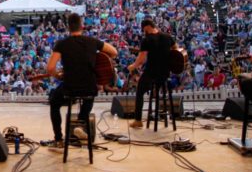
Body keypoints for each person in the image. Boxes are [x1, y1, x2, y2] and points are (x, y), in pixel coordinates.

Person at [41, 13, 118, 148]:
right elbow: (114, 52)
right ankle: (81, 122)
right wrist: (99, 58)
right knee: (90, 95)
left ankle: (58, 139)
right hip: (89, 87)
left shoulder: (62, 44)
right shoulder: (92, 41)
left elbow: (50, 67)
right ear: (82, 26)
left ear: (68, 27)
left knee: (54, 103)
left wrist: (58, 76)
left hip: (70, 87)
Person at [127, 19, 178, 129]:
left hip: (152, 73)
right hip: (165, 74)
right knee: (155, 88)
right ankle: (158, 109)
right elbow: (176, 49)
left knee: (140, 91)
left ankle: (138, 120)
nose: (143, 31)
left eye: (143, 29)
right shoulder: (167, 36)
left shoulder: (147, 40)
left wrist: (133, 66)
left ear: (147, 27)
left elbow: (141, 59)